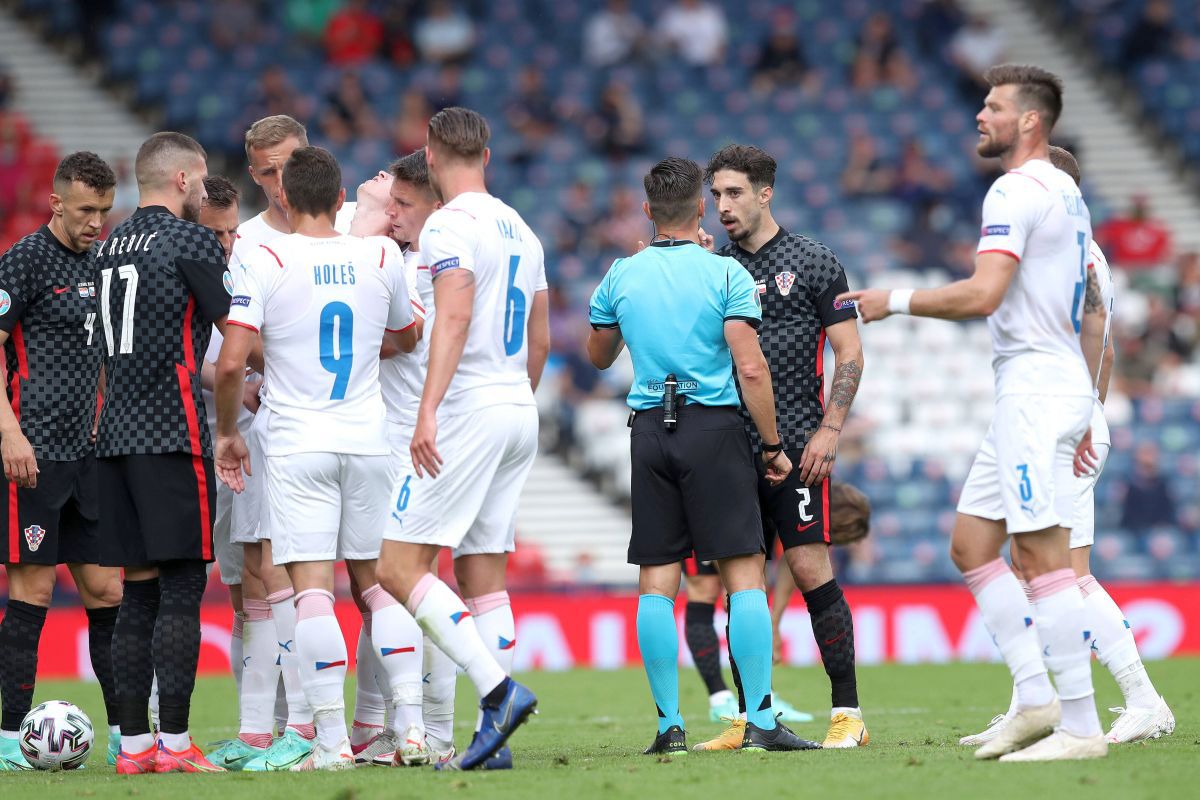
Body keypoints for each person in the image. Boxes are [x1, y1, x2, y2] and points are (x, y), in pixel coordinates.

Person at [840, 64, 1108, 762]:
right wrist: (1086, 405)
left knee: (1038, 553)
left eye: (993, 107)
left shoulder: (1015, 189)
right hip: (1043, 384)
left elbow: (985, 294)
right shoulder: (1068, 192)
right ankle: (1033, 698)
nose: (979, 117)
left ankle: (1081, 727)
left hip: (1034, 389)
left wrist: (891, 300)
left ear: (1031, 121)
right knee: (972, 545)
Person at [588, 156, 819, 755]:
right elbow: (750, 365)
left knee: (657, 580)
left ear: (646, 211)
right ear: (700, 209)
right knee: (743, 573)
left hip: (649, 431)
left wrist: (636, 282)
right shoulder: (726, 275)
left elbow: (598, 354)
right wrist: (771, 446)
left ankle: (669, 727)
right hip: (713, 429)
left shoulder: (622, 273)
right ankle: (761, 722)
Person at [962, 146, 1175, 748]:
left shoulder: (1067, 253)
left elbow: (1096, 342)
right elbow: (1103, 348)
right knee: (1038, 570)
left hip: (1061, 427)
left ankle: (1142, 698)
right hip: (1067, 420)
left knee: (1063, 575)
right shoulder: (1082, 252)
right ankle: (1036, 704)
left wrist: (1079, 419)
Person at [215, 145, 419, 771]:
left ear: (284, 196)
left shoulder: (263, 254)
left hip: (298, 441)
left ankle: (328, 742)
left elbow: (230, 361)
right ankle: (411, 732)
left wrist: (228, 432)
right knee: (376, 585)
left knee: (310, 592)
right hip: (368, 438)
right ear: (339, 201)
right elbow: (408, 333)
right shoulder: (381, 253)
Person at [375, 107, 547, 772]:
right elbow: (538, 331)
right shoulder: (522, 228)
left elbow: (453, 315)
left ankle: (499, 694)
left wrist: (429, 410)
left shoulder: (448, 223)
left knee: (398, 567)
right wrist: (516, 396)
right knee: (483, 576)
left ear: (430, 150)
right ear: (488, 152)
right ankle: (493, 738)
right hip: (517, 404)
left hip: (471, 405)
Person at [699, 144, 867, 751]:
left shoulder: (816, 263)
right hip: (723, 447)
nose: (722, 206)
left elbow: (849, 352)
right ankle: (754, 720)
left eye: (734, 193)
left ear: (765, 193)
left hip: (799, 447)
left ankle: (848, 712)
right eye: (715, 195)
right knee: (739, 585)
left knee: (809, 570)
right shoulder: (710, 267)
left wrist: (830, 430)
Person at [94, 132, 235, 774]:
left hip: (113, 436)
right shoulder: (192, 240)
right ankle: (175, 744)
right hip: (171, 433)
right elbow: (236, 322)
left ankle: (131, 748)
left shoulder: (107, 245)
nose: (207, 188)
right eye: (202, 178)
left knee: (137, 593)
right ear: (181, 181)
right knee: (182, 587)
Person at [0, 152, 123, 770]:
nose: (95, 221)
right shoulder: (23, 260)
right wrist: (9, 434)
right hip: (33, 458)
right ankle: (6, 740)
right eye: (84, 210)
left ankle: (129, 733)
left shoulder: (105, 264)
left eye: (103, 210)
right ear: (56, 203)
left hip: (90, 457)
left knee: (105, 588)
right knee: (35, 590)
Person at [210, 114, 316, 773]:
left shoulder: (350, 227)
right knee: (248, 576)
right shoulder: (243, 241)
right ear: (254, 172)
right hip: (254, 431)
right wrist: (242, 374)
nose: (282, 182)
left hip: (328, 428)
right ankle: (263, 727)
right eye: (269, 170)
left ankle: (326, 724)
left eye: (291, 165)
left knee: (318, 576)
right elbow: (225, 347)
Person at [196, 175, 251, 704]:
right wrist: (234, 381)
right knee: (220, 591)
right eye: (216, 234)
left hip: (243, 450)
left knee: (255, 590)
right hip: (196, 442)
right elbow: (179, 364)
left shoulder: (247, 270)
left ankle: (273, 724)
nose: (228, 244)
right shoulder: (177, 279)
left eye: (233, 231)